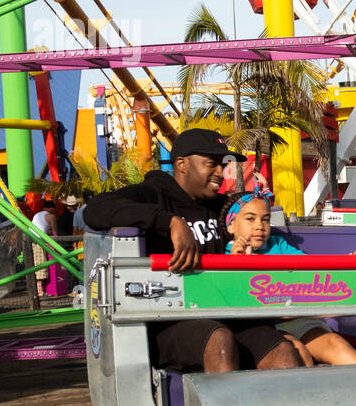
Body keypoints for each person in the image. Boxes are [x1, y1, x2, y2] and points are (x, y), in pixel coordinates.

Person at [83, 127, 302, 374]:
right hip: (170, 320)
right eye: (211, 164)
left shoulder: (222, 207)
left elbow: (261, 226)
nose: (221, 172)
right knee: (218, 339)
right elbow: (95, 209)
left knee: (283, 352)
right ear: (182, 164)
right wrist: (169, 221)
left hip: (227, 312)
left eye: (222, 164)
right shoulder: (154, 194)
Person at [224, 190, 356, 367]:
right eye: (250, 219)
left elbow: (312, 267)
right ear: (231, 226)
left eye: (265, 219)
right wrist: (240, 262)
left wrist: (353, 259)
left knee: (336, 344)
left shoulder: (278, 244)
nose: (259, 226)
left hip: (299, 318)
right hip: (266, 325)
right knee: (297, 352)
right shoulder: (228, 255)